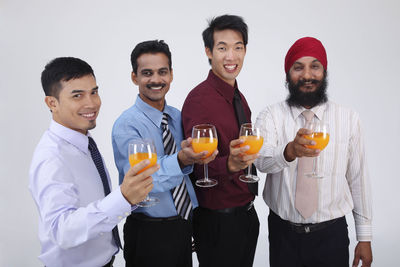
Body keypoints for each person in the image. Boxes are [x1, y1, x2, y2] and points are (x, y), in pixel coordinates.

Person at [255, 37, 373, 267]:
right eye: (298, 67)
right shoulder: (270, 115)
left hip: (332, 235)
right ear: (288, 74)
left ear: (324, 71)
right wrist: (289, 151)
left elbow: (358, 179)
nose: (307, 75)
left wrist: (365, 237)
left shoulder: (348, 118)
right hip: (283, 234)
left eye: (315, 66)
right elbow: (260, 161)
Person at [29, 57, 158, 267]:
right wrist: (123, 197)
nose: (91, 103)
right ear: (52, 103)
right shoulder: (52, 157)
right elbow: (62, 231)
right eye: (77, 95)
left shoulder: (82, 141)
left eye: (94, 92)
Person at [112, 40, 216, 267]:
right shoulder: (126, 125)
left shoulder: (178, 117)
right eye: (147, 73)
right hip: (149, 232)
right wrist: (180, 160)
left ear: (171, 75)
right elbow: (140, 178)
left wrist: (202, 159)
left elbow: (189, 172)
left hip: (184, 227)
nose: (156, 80)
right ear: (134, 77)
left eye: (162, 72)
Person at [181, 15, 259, 267]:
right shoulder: (200, 99)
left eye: (238, 47)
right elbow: (196, 164)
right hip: (218, 223)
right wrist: (229, 165)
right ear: (208, 52)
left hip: (245, 215)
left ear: (245, 50)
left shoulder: (239, 96)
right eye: (222, 48)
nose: (231, 56)